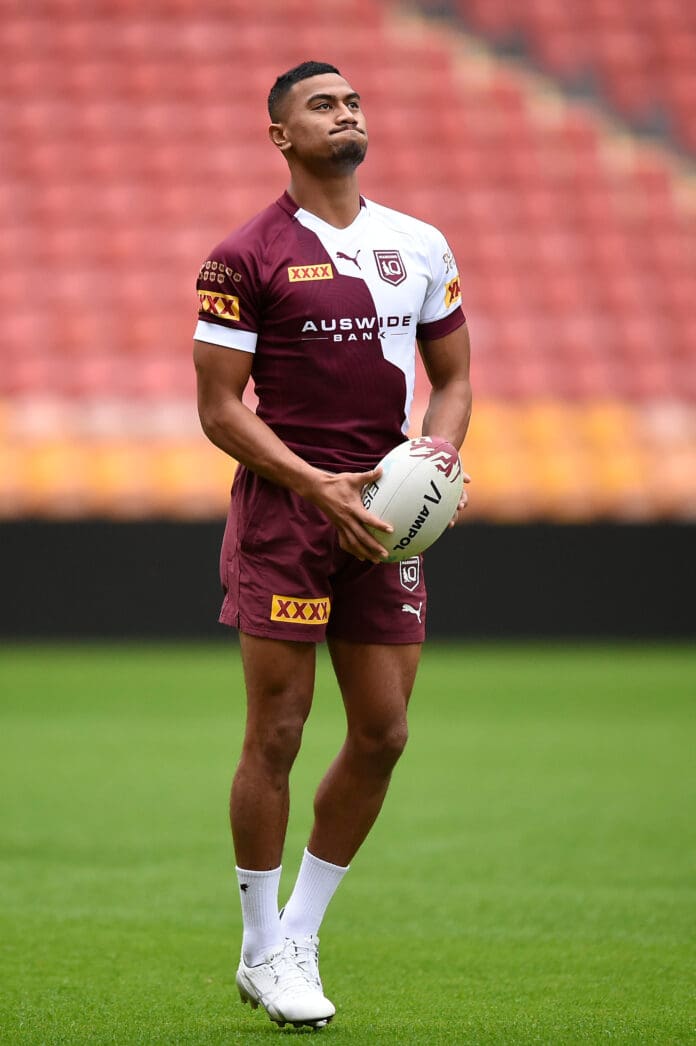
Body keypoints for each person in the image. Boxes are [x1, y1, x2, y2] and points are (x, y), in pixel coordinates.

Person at [193, 60, 472, 1030]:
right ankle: (264, 942)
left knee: (385, 732)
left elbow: (455, 375)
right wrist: (316, 485)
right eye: (323, 105)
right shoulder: (243, 257)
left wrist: (432, 465)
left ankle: (295, 933)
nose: (345, 113)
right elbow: (219, 409)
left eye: (353, 101)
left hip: (384, 521)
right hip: (288, 516)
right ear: (281, 136)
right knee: (275, 730)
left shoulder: (420, 242)